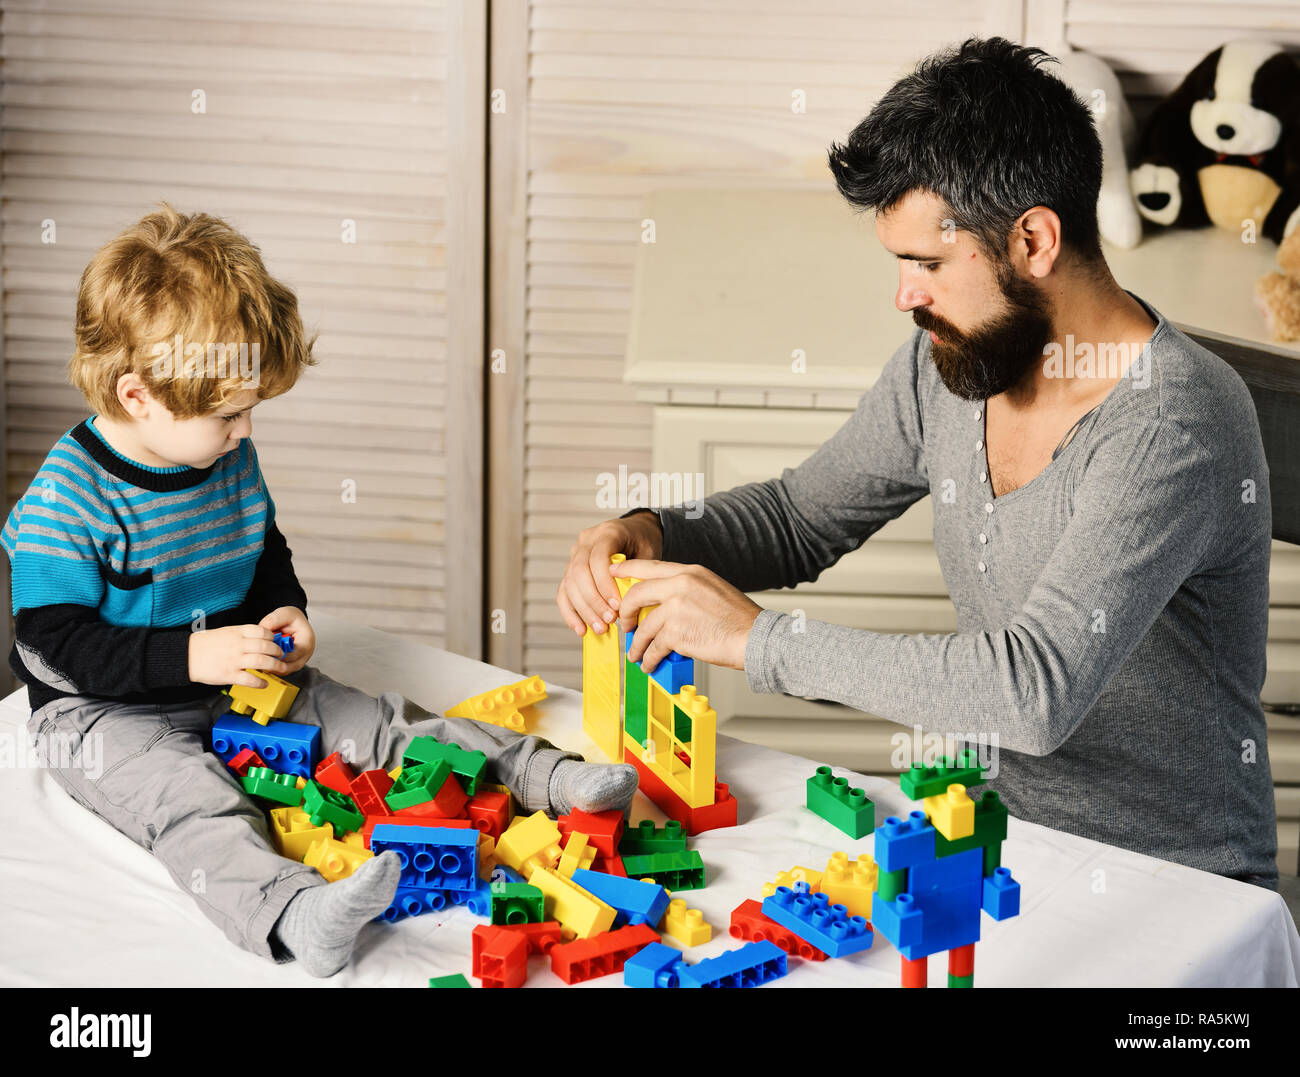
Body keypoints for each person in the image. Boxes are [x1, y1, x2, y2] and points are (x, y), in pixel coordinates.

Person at [556, 37, 1278, 888]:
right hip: (999, 840)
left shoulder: (1171, 420)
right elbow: (800, 517)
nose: (905, 294)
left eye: (928, 264)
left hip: (1176, 883)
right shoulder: (956, 360)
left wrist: (755, 640)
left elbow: (1031, 692)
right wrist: (651, 531)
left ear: (1034, 239)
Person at [3, 203, 636, 977]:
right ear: (138, 396)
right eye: (230, 415)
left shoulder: (224, 456)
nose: (244, 432)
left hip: (235, 676)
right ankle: (296, 913)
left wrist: (285, 609)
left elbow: (261, 547)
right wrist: (190, 655)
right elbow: (50, 645)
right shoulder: (67, 499)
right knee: (195, 805)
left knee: (375, 727)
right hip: (103, 709)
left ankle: (542, 774)